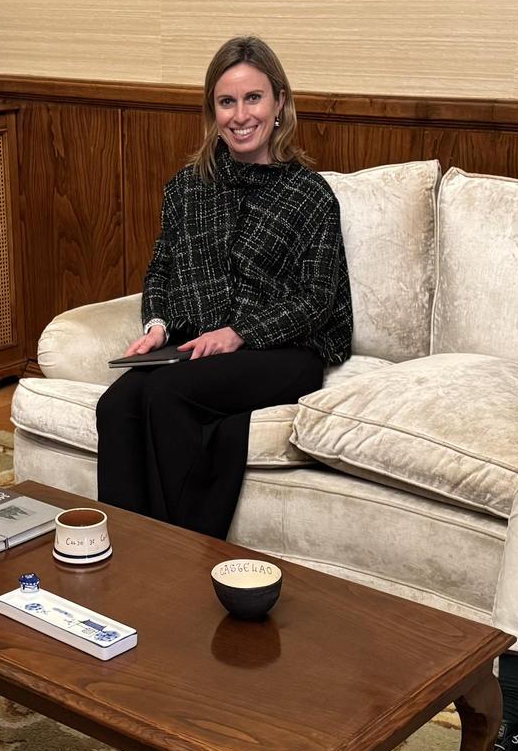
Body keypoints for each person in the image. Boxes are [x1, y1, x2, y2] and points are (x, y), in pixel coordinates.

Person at [95, 35, 353, 540]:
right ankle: (126, 552)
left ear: (279, 103)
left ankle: (179, 551)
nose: (240, 115)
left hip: (283, 350)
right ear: (212, 111)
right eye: (226, 101)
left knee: (166, 394)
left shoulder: (308, 193)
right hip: (197, 345)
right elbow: (161, 271)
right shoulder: (187, 186)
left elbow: (318, 299)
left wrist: (238, 332)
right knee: (118, 404)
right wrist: (157, 325)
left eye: (253, 98)